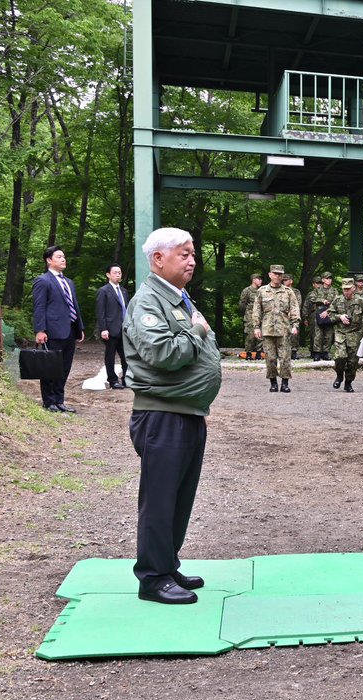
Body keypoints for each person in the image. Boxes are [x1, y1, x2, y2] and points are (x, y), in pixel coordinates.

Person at [123, 227, 222, 604]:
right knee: (160, 499)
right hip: (162, 416)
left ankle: (167, 564)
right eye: (184, 253)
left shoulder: (178, 298)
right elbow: (163, 353)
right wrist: (197, 330)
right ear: (158, 259)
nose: (192, 260)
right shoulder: (149, 301)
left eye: (193, 253)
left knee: (180, 498)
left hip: (187, 412)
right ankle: (152, 578)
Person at [32, 245, 85, 413]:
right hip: (52, 331)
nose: (63, 259)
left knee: (64, 368)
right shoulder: (43, 280)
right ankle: (49, 402)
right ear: (49, 260)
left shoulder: (68, 282)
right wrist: (40, 330)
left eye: (64, 256)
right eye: (59, 256)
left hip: (69, 330)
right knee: (50, 367)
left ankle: (60, 400)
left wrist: (79, 327)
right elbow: (39, 307)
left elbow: (74, 306)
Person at [252, 265, 301, 393]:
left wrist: (295, 325)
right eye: (275, 273)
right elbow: (256, 310)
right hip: (267, 329)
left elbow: (294, 308)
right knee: (270, 358)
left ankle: (285, 383)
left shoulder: (288, 291)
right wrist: (256, 327)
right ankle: (273, 382)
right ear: (270, 275)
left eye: (280, 274)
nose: (277, 276)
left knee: (285, 357)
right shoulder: (262, 291)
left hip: (284, 328)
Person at [329, 277, 363, 392]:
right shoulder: (337, 300)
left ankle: (348, 382)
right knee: (340, 357)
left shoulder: (360, 301)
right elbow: (329, 314)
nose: (346, 292)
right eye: (344, 289)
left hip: (355, 334)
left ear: (353, 288)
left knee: (353, 362)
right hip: (340, 333)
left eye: (348, 289)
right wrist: (340, 317)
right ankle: (339, 375)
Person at [95, 263, 130, 390]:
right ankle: (113, 380)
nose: (117, 275)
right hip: (110, 329)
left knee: (126, 356)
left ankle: (126, 379)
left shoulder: (124, 291)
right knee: (110, 356)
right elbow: (100, 311)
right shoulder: (103, 291)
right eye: (115, 272)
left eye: (119, 272)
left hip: (124, 329)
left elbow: (127, 309)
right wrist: (103, 328)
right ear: (108, 275)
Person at [307, 272, 337, 361]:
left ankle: (325, 353)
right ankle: (317, 353)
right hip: (319, 314)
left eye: (330, 278)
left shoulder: (334, 290)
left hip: (330, 313)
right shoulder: (317, 290)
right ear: (323, 280)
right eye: (327, 278)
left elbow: (336, 302)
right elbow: (312, 299)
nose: (329, 280)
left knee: (328, 334)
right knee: (318, 334)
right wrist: (322, 300)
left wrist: (328, 311)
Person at [239, 272, 263, 359]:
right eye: (259, 279)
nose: (261, 281)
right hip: (249, 315)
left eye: (261, 279)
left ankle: (259, 353)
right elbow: (242, 304)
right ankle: (248, 353)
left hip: (260, 315)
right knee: (250, 334)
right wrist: (247, 313)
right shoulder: (247, 291)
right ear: (253, 280)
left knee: (260, 334)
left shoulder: (262, 291)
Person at [282, 275, 302, 359]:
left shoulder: (296, 292)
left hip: (293, 315)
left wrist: (292, 312)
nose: (285, 282)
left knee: (294, 334)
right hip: (283, 316)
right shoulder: (281, 291)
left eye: (287, 280)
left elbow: (298, 303)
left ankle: (294, 351)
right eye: (284, 280)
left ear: (291, 281)